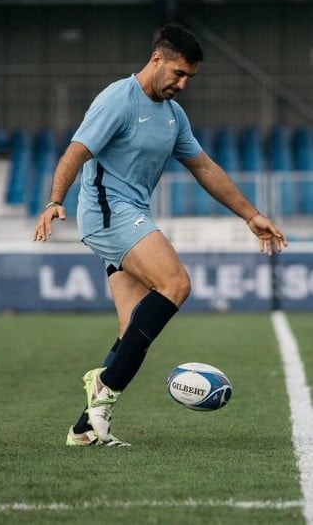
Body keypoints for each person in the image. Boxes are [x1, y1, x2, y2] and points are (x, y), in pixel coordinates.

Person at [33, 23, 288, 445]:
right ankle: (104, 387)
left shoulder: (173, 115)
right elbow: (75, 150)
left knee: (133, 331)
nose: (183, 84)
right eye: (178, 74)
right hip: (108, 212)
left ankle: (85, 429)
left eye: (190, 77)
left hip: (130, 214)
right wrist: (53, 199)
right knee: (175, 283)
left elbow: (204, 167)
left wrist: (250, 215)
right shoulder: (118, 99)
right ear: (157, 59)